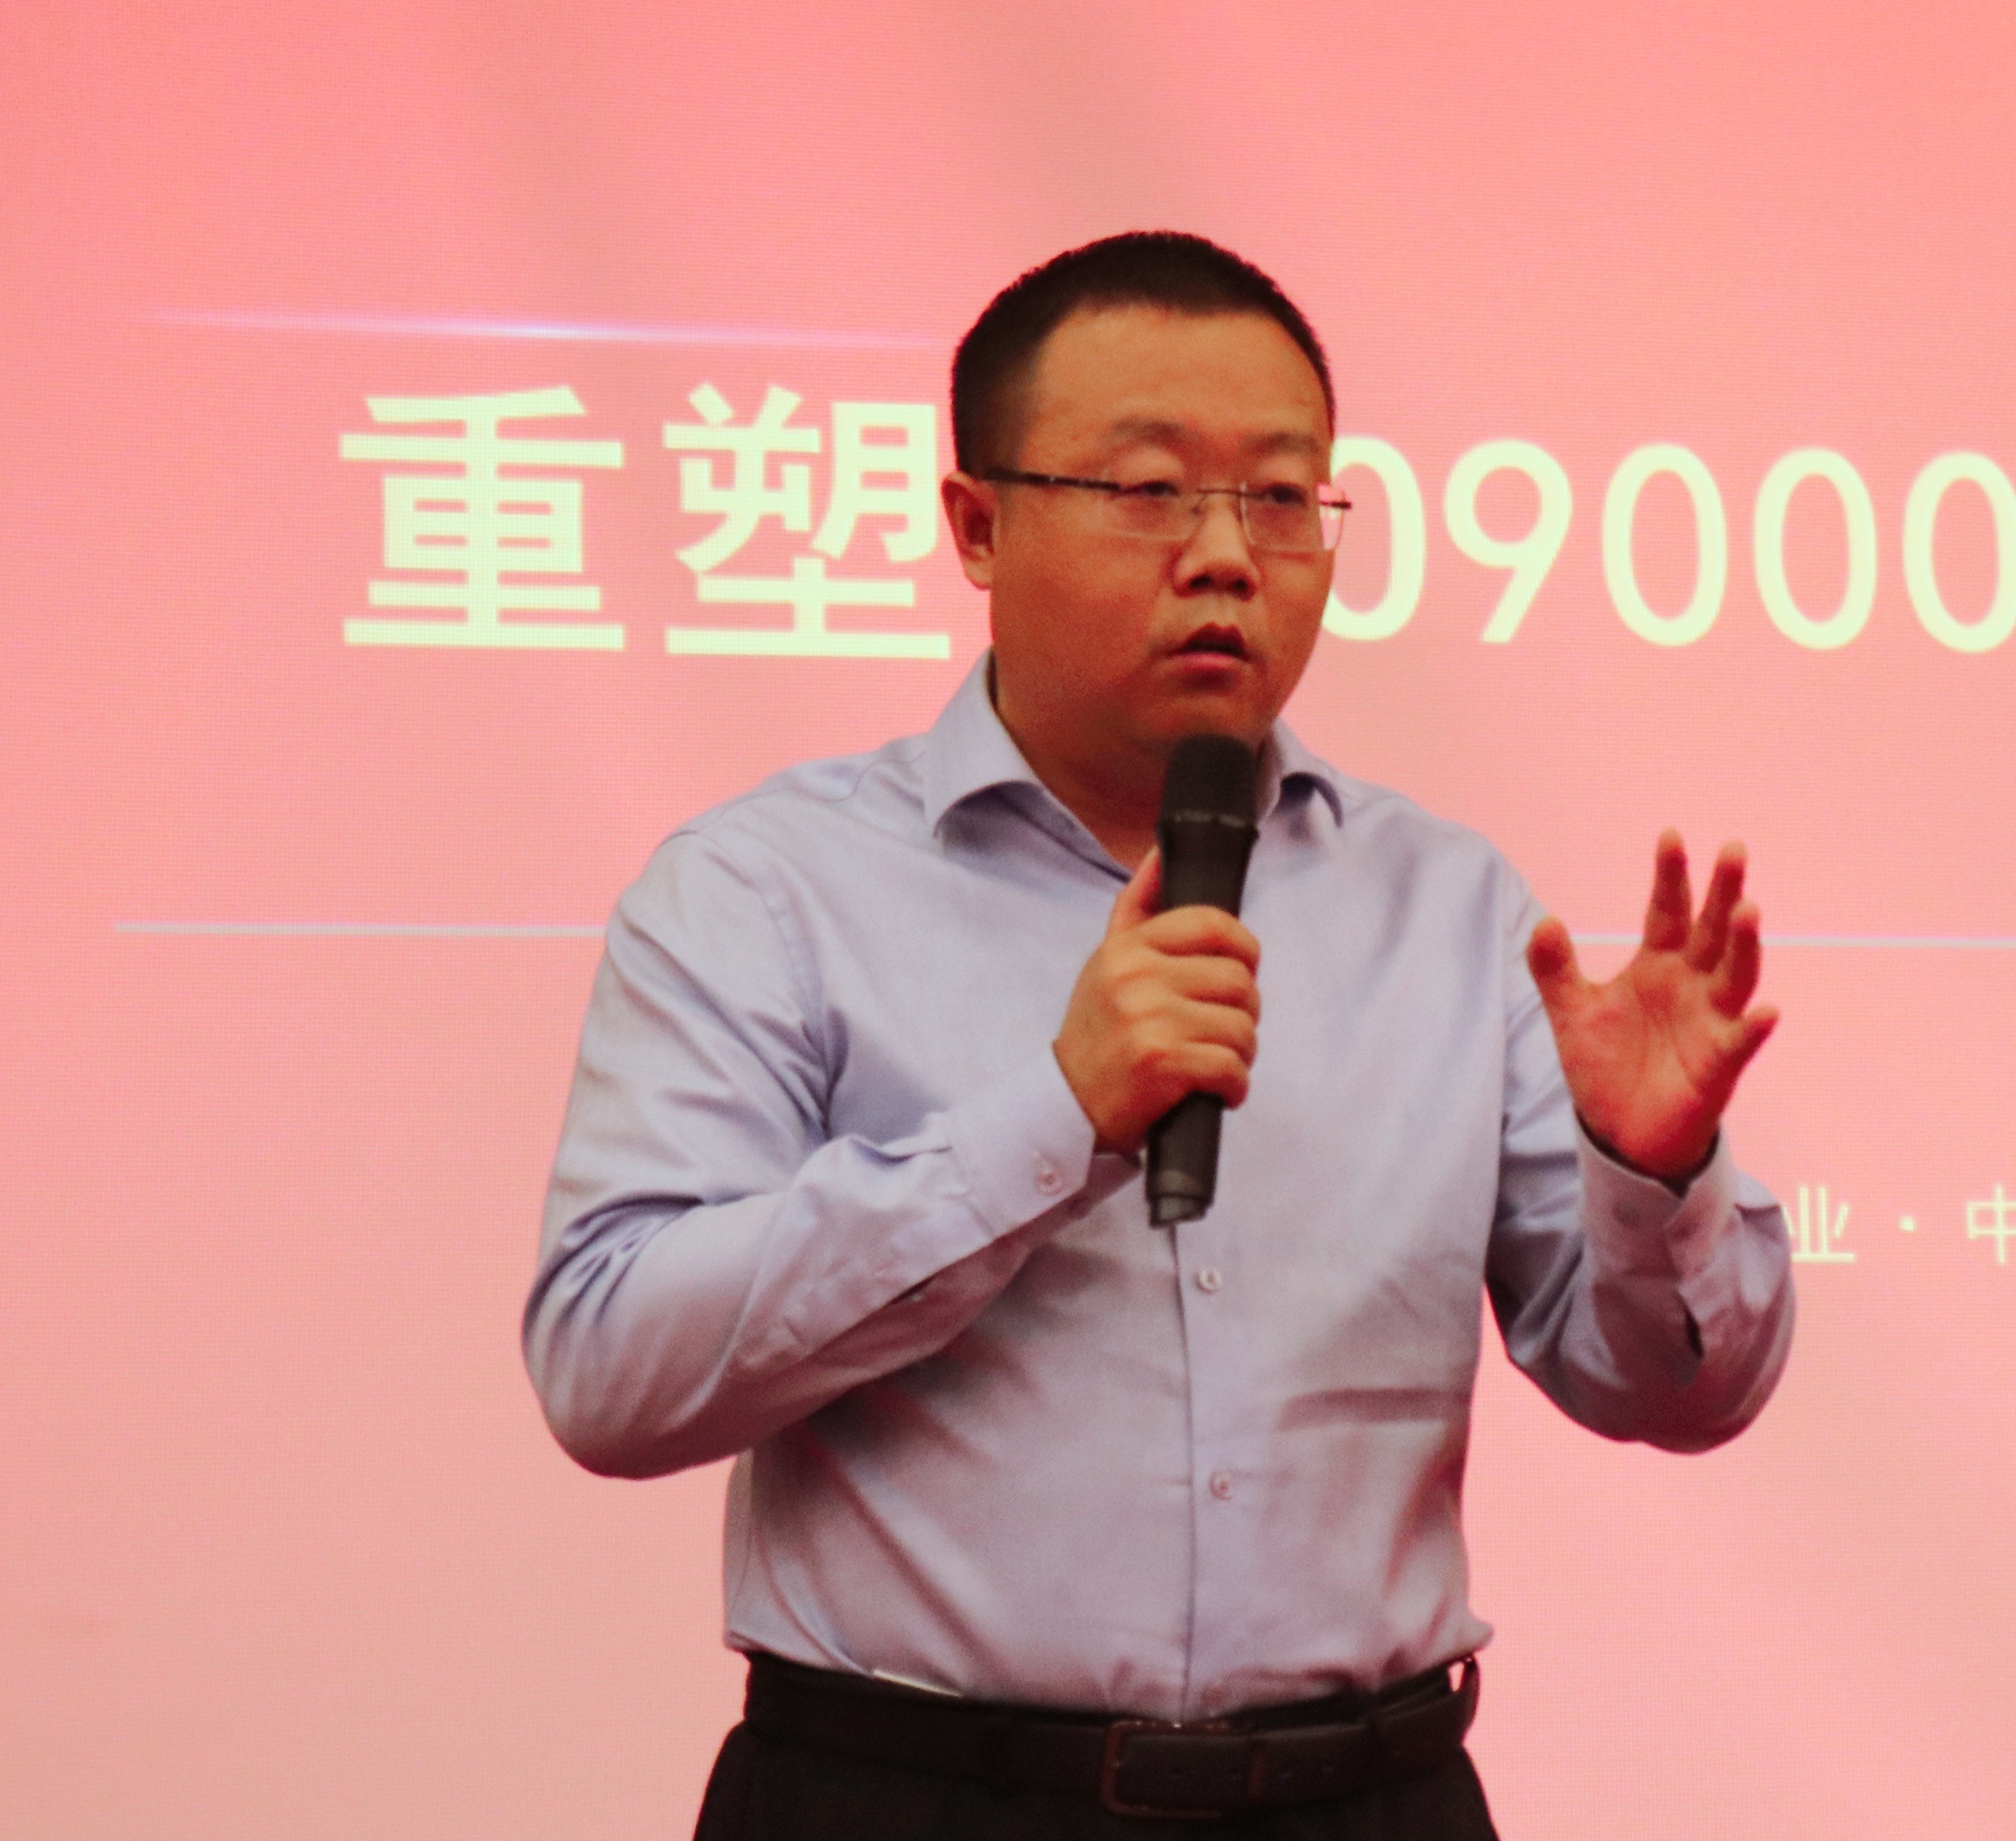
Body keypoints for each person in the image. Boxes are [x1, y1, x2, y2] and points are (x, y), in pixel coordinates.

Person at [525, 232, 1795, 1840]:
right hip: (911, 1800)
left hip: (1368, 1803)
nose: (1225, 556)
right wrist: (1055, 1120)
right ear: (977, 525)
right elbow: (610, 1368)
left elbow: (1678, 1394)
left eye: (1282, 497)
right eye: (1148, 491)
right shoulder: (765, 891)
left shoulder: (1451, 907)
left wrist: (1651, 1173)